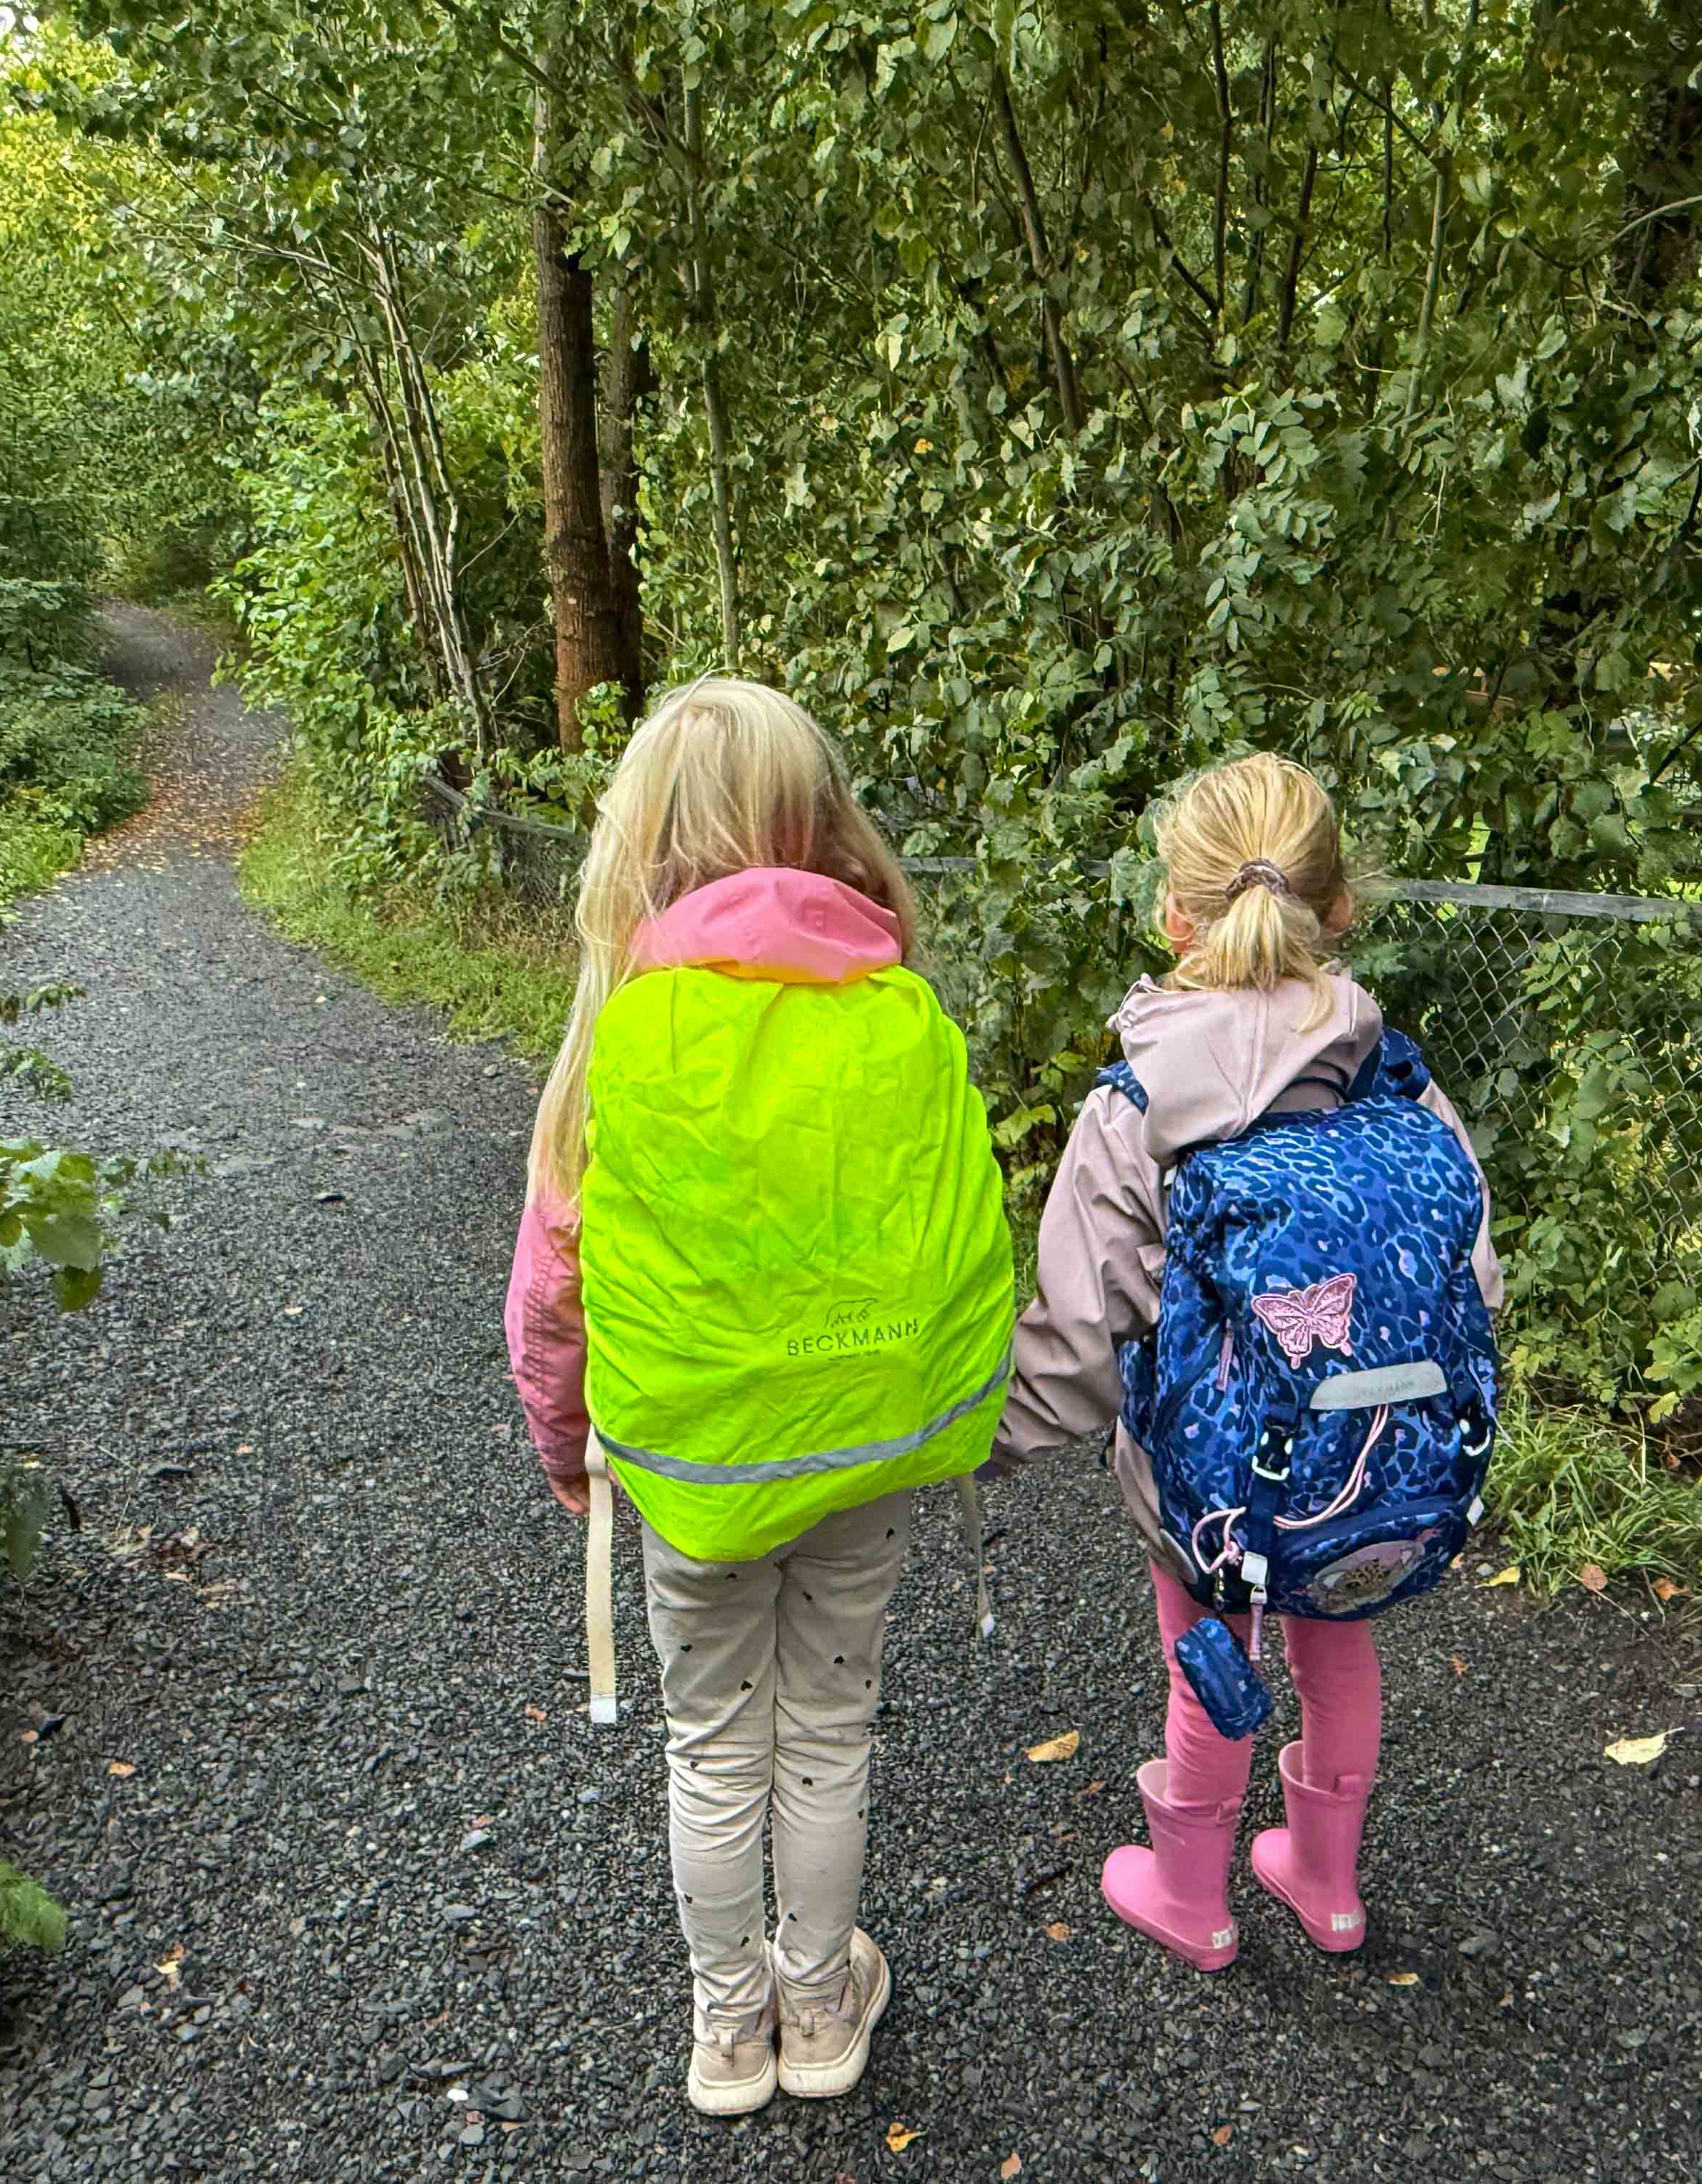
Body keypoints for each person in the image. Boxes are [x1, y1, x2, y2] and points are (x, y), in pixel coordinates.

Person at [504, 679, 1013, 2115]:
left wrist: (566, 1445)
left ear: (645, 843)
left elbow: (554, 1289)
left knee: (713, 1739)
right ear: (818, 826)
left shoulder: (626, 1036)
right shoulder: (897, 1014)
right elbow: (959, 1231)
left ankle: (731, 2031)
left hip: (697, 1474)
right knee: (830, 1729)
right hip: (863, 1448)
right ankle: (821, 2000)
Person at [991, 752, 1502, 1970]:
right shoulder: (1395, 1082)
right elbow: (1471, 1284)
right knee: (1340, 1642)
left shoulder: (1137, 1107)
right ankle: (1325, 1885)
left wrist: (973, 1445)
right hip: (1381, 1464)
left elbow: (1077, 1343)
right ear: (1342, 912)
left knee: (1210, 1652)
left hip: (1211, 1484)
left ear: (1174, 915)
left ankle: (1194, 1898)